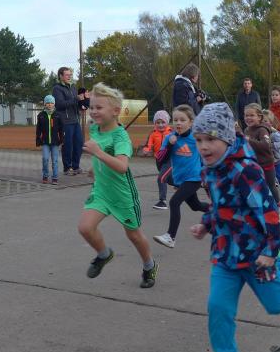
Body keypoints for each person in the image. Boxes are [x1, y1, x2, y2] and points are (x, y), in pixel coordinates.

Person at [189, 102, 280, 352]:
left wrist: (271, 252)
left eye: (210, 139)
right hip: (225, 254)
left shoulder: (246, 171)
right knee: (218, 307)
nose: (203, 147)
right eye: (199, 140)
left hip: (256, 254)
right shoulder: (209, 171)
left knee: (278, 305)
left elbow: (269, 212)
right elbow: (219, 205)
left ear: (226, 138)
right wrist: (206, 224)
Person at [78, 83, 157, 288]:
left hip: (123, 194)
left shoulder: (121, 137)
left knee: (133, 235)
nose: (94, 111)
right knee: (85, 228)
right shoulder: (94, 128)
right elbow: (103, 154)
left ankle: (149, 266)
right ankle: (104, 254)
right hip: (101, 191)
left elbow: (122, 166)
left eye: (99, 107)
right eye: (92, 107)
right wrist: (95, 167)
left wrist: (97, 153)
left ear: (115, 111)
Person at [152, 105, 210, 249]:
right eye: (176, 120)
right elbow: (160, 159)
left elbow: (206, 156)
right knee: (196, 206)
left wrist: (206, 176)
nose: (178, 123)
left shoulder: (196, 138)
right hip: (180, 179)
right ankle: (218, 210)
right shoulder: (169, 138)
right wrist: (170, 145)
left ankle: (170, 237)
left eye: (182, 120)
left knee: (174, 202)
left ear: (191, 122)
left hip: (194, 178)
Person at [243, 103, 280, 209]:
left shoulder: (262, 130)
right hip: (253, 165)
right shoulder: (246, 130)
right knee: (254, 187)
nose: (248, 118)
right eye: (246, 115)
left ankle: (277, 204)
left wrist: (249, 140)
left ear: (259, 117)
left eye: (252, 115)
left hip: (266, 164)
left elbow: (265, 145)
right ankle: (260, 207)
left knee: (270, 186)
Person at [52, 67, 84, 176]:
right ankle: (67, 168)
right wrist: (76, 99)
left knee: (79, 143)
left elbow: (76, 103)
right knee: (68, 145)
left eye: (70, 75)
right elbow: (59, 104)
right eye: (67, 75)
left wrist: (84, 102)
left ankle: (76, 166)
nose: (69, 76)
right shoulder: (57, 88)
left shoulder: (73, 87)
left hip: (75, 120)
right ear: (61, 76)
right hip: (65, 121)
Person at [141, 110, 172, 209]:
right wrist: (146, 150)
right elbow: (148, 145)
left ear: (167, 122)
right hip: (159, 160)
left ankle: (162, 201)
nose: (160, 125)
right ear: (155, 123)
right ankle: (184, 186)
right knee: (169, 180)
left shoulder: (171, 133)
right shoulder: (153, 133)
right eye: (158, 122)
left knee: (161, 178)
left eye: (163, 122)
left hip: (170, 160)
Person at [263, 109, 280, 203]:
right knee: (267, 180)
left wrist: (272, 145)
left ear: (270, 123)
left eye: (265, 121)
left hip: (276, 161)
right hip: (265, 161)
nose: (263, 123)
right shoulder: (260, 132)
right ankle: (271, 198)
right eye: (261, 121)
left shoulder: (274, 134)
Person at [35, 94, 64, 185]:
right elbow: (38, 129)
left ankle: (55, 177)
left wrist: (62, 139)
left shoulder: (58, 115)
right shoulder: (41, 115)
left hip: (55, 142)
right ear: (45, 104)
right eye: (48, 103)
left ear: (54, 104)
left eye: (51, 103)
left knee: (55, 160)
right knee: (45, 158)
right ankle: (45, 175)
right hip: (45, 142)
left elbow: (61, 129)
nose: (50, 104)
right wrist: (38, 139)